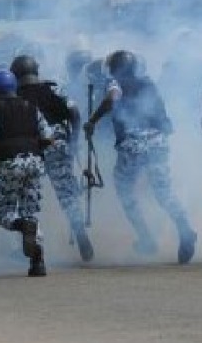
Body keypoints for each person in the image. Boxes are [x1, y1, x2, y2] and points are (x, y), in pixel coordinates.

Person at [84, 50, 197, 263]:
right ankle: (185, 229)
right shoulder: (149, 83)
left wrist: (92, 120)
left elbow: (112, 99)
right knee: (164, 192)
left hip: (132, 144)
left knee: (125, 190)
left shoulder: (115, 83)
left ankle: (146, 238)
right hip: (158, 141)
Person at [10, 53, 94, 262]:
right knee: (67, 193)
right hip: (58, 145)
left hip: (30, 148)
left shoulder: (14, 96)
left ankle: (30, 246)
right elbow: (74, 113)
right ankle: (81, 234)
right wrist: (74, 142)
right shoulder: (53, 88)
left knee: (27, 198)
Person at [0, 69, 53, 276]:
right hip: (35, 163)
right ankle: (38, 262)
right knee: (31, 212)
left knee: (2, 213)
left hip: (10, 164)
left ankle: (23, 226)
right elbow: (48, 138)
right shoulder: (31, 107)